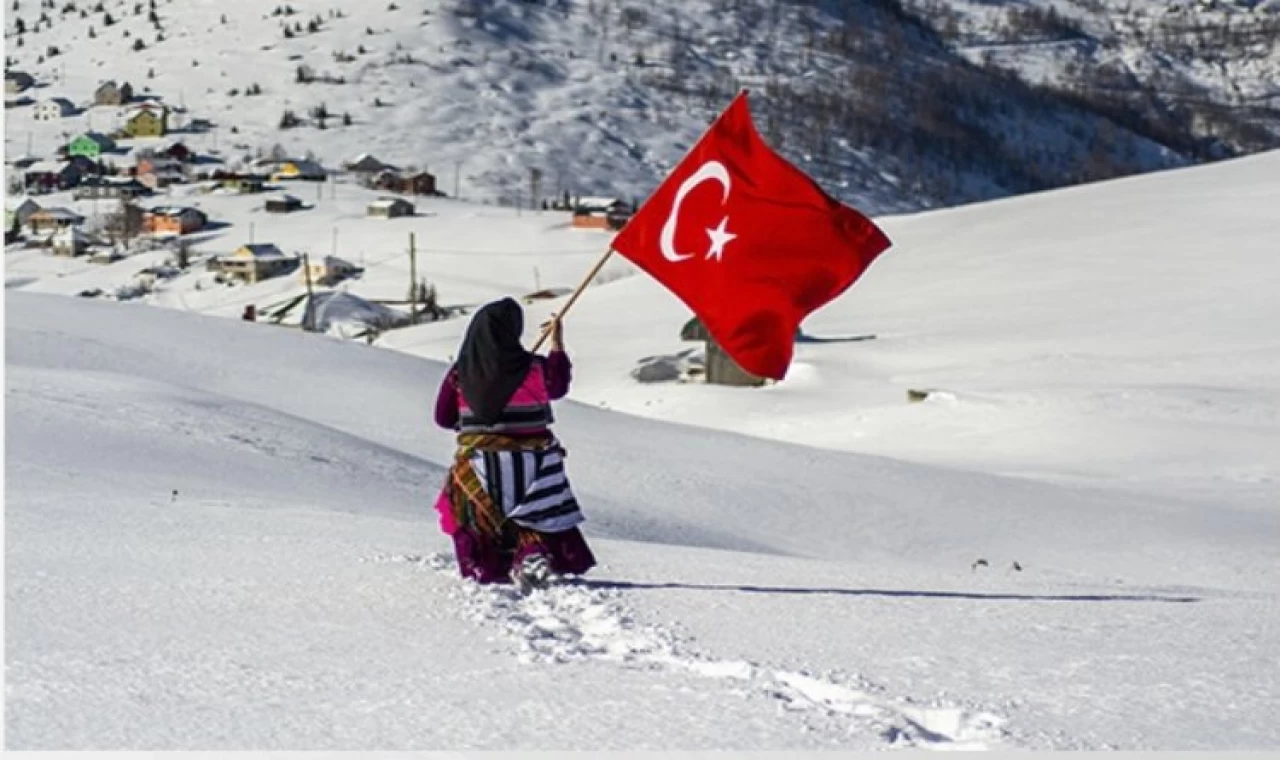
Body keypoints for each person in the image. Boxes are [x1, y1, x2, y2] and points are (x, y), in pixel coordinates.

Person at [432, 297, 596, 591]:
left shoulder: (461, 374)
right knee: (540, 512)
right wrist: (556, 344)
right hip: (535, 460)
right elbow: (558, 387)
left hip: (481, 462)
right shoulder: (535, 368)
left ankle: (486, 566)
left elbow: (443, 418)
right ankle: (534, 553)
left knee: (474, 513)